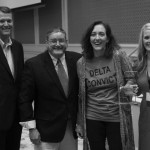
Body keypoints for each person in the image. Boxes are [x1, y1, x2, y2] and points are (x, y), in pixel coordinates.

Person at [76, 20, 138, 150]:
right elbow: (81, 96)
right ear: (89, 38)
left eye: (101, 34)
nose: (97, 38)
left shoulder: (119, 56)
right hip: (92, 117)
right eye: (93, 34)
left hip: (116, 117)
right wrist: (80, 122)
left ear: (108, 38)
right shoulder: (81, 63)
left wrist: (128, 86)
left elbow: (131, 77)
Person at [19, 27, 81, 150]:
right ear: (46, 43)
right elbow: (24, 99)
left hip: (70, 128)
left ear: (67, 42)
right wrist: (32, 128)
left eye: (61, 40)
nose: (58, 44)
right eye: (53, 41)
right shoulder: (33, 65)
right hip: (45, 131)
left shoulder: (77, 60)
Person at [0, 6, 24, 150]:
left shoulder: (18, 46)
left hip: (16, 116)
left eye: (9, 20)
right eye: (1, 21)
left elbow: (18, 81)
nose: (6, 24)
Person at [136, 23, 150, 150]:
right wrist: (130, 90)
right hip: (146, 116)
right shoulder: (140, 64)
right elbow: (138, 91)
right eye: (146, 37)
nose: (149, 41)